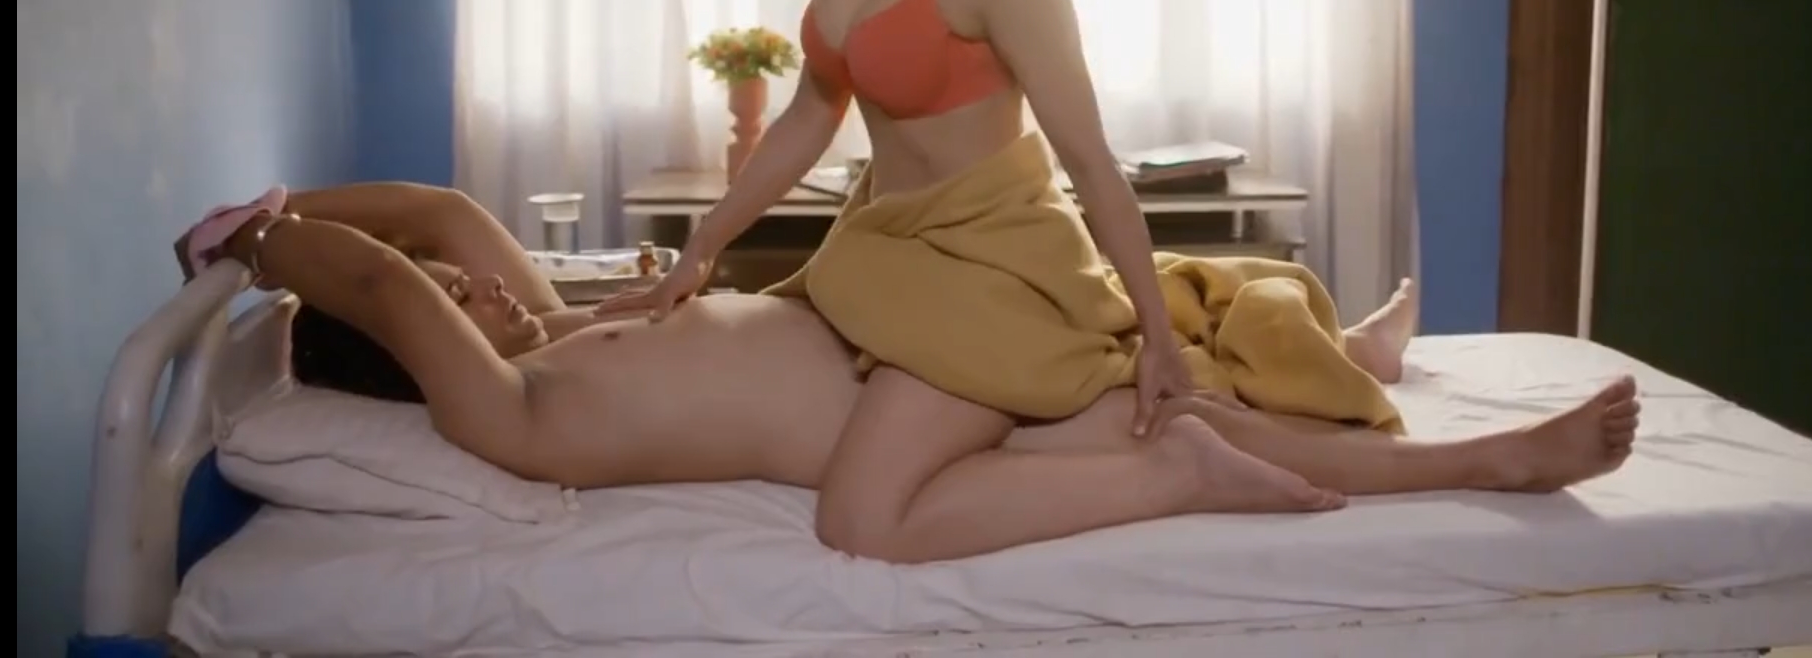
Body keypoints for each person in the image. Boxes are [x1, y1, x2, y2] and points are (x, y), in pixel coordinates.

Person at [567, 0, 1640, 563]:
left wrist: (1156, 339)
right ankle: (1357, 358)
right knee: (1081, 421)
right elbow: (813, 108)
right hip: (894, 251)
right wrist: (701, 248)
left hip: (992, 266)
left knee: (1080, 432)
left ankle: (1479, 457)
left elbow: (1091, 164)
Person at [181, 186, 1636, 563]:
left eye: (476, 284)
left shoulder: (555, 330)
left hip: (904, 347)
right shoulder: (505, 411)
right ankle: (1483, 460)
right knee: (1171, 414)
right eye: (461, 303)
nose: (484, 285)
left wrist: (296, 199)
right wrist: (253, 247)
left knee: (1160, 371)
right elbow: (384, 280)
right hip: (903, 411)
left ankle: (1368, 380)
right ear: (415, 356)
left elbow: (430, 222)